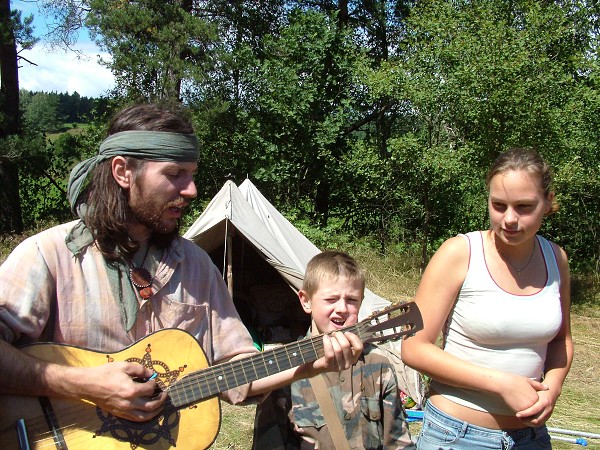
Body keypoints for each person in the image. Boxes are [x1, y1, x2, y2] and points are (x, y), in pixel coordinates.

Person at [0, 103, 362, 425]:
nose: (191, 190)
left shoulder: (196, 266)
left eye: (192, 174)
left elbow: (234, 369)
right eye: (175, 174)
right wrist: (83, 384)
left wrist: (311, 363)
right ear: (123, 171)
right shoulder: (48, 256)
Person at [401, 148, 573, 450]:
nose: (509, 219)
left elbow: (561, 341)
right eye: (498, 205)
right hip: (456, 436)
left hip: (531, 438)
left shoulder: (556, 259)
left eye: (524, 207)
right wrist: (501, 383)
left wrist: (553, 388)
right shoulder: (460, 253)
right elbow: (413, 347)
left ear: (547, 204)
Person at [252, 250, 415, 449]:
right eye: (331, 299)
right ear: (306, 300)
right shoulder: (284, 370)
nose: (342, 308)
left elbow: (398, 442)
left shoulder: (378, 365)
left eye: (352, 300)